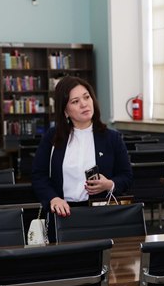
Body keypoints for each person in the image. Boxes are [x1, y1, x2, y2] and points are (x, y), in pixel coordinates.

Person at [32, 76, 133, 220]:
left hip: (101, 214)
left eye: (86, 97)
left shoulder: (112, 138)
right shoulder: (52, 137)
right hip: (63, 213)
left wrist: (109, 184)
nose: (84, 104)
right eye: (75, 101)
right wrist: (53, 198)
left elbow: (127, 176)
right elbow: (38, 176)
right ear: (65, 110)